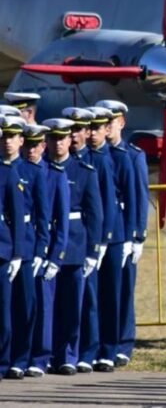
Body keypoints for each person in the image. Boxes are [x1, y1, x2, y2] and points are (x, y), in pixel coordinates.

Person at [41, 118, 102, 376]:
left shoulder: (84, 171)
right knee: (47, 305)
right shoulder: (41, 169)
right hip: (46, 241)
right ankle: (46, 353)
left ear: (69, 141)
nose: (58, 144)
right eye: (53, 139)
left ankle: (69, 353)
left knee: (73, 304)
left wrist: (92, 250)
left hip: (76, 243)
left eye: (62, 138)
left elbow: (95, 213)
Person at [96, 100, 149, 369]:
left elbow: (139, 198)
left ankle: (123, 343)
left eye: (111, 121)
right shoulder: (98, 155)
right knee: (102, 291)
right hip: (103, 233)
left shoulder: (132, 155)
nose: (107, 126)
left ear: (122, 123)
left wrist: (138, 235)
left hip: (124, 232)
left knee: (123, 290)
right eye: (103, 122)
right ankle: (103, 342)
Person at [0, 115, 50, 380]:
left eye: (12, 137)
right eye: (4, 136)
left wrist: (41, 250)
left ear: (21, 140)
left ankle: (23, 357)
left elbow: (41, 215)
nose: (8, 142)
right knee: (5, 307)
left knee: (26, 305)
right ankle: (6, 358)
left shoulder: (33, 171)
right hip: (5, 246)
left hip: (26, 247)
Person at [23, 123, 70, 378]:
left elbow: (60, 221)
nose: (31, 149)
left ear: (44, 146)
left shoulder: (54, 174)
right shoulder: (17, 170)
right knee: (20, 307)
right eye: (27, 144)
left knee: (43, 307)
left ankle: (40, 357)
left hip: (44, 249)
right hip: (21, 248)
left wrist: (55, 256)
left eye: (36, 144)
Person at [73, 106, 117, 373]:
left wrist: (101, 241)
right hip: (77, 239)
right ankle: (79, 350)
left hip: (94, 237)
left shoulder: (99, 161)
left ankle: (99, 349)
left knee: (98, 298)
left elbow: (104, 205)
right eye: (76, 130)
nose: (81, 135)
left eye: (85, 129)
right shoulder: (77, 160)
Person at [0, 124, 25, 382]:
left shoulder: (7, 174)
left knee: (3, 311)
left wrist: (17, 253)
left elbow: (17, 216)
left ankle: (3, 361)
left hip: (2, 250)